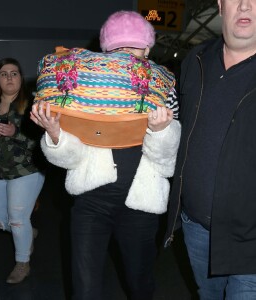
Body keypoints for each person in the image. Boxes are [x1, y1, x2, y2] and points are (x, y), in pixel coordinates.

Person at [31, 11, 181, 300]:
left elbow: (167, 162)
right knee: (85, 289)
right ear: (105, 53)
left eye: (134, 47)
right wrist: (55, 134)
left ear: (147, 50)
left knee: (140, 284)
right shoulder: (86, 86)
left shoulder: (163, 88)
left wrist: (162, 131)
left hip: (141, 206)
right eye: (118, 48)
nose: (126, 54)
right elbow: (70, 158)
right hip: (91, 203)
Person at [165, 0, 256, 299]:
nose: (245, 5)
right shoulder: (197, 59)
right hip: (196, 227)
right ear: (220, 6)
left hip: (250, 238)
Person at [0, 58, 45, 284]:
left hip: (27, 170)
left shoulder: (32, 105)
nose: (10, 77)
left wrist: (16, 133)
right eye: (4, 74)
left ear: (21, 78)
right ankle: (27, 232)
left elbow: (44, 141)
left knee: (17, 219)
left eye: (14, 73)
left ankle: (22, 263)